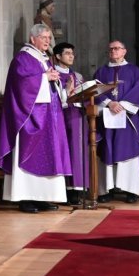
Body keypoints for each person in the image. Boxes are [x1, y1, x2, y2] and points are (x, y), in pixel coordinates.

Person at [0, 23, 70, 213]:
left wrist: (55, 80)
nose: (48, 41)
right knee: (28, 155)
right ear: (32, 39)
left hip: (49, 118)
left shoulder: (44, 59)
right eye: (44, 37)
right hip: (29, 118)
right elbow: (22, 86)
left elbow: (50, 82)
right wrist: (45, 78)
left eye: (49, 38)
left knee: (49, 155)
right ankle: (26, 198)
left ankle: (43, 197)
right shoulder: (23, 58)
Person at [94, 40, 139, 204]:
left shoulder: (134, 71)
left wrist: (122, 105)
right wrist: (109, 103)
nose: (113, 51)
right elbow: (95, 90)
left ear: (124, 51)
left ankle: (130, 190)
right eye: (111, 49)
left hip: (128, 118)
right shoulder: (100, 72)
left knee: (129, 150)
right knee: (107, 150)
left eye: (117, 48)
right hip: (107, 116)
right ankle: (106, 190)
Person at [53, 42, 89, 206]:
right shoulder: (53, 75)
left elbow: (87, 97)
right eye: (67, 53)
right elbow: (52, 99)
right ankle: (66, 190)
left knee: (79, 152)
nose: (71, 56)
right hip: (61, 117)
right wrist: (66, 92)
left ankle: (79, 189)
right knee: (65, 152)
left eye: (72, 53)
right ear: (58, 56)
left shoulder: (79, 76)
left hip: (79, 117)